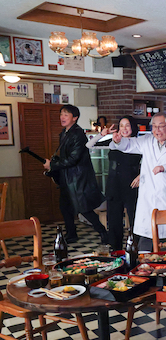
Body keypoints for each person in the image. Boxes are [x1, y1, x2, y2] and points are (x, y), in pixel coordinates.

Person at [110, 112, 166, 251]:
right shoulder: (147, 140)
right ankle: (144, 261)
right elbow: (129, 145)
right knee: (145, 242)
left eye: (161, 126)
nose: (157, 130)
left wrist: (165, 167)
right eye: (154, 126)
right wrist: (118, 141)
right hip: (148, 196)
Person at [44, 104, 107, 244]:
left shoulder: (78, 134)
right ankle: (71, 234)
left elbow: (74, 159)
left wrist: (52, 165)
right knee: (65, 207)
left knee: (83, 208)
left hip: (78, 178)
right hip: (67, 177)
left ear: (75, 117)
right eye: (61, 114)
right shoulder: (65, 133)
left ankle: (103, 232)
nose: (62, 117)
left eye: (66, 115)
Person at [86, 116, 142, 251]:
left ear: (133, 127)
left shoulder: (139, 143)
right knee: (114, 220)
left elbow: (149, 161)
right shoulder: (113, 141)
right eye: (121, 125)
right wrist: (102, 134)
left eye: (127, 125)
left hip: (132, 185)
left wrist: (142, 175)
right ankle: (116, 251)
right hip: (114, 185)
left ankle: (137, 250)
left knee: (135, 219)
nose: (124, 128)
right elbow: (89, 145)